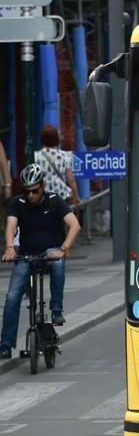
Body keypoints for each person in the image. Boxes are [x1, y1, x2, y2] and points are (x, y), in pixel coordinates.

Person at [1, 164, 81, 359]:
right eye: (27, 191)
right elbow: (11, 226)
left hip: (51, 252)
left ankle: (56, 310)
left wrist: (63, 249)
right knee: (12, 297)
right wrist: (10, 247)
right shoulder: (17, 202)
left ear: (42, 186)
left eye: (35, 191)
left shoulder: (55, 201)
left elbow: (74, 225)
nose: (31, 195)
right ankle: (5, 344)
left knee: (58, 264)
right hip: (27, 254)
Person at [34, 125, 80, 208]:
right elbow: (71, 179)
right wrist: (76, 197)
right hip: (61, 196)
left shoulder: (36, 156)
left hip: (43, 197)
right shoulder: (65, 155)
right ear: (56, 139)